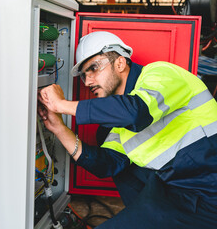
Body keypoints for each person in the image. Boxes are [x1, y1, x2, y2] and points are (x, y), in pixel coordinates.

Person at [38, 31, 217, 229]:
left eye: (93, 68)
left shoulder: (159, 73)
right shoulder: (118, 120)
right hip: (174, 191)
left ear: (120, 63)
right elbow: (107, 164)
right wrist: (59, 128)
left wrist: (61, 105)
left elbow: (136, 112)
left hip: (206, 189)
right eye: (84, 76)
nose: (88, 82)